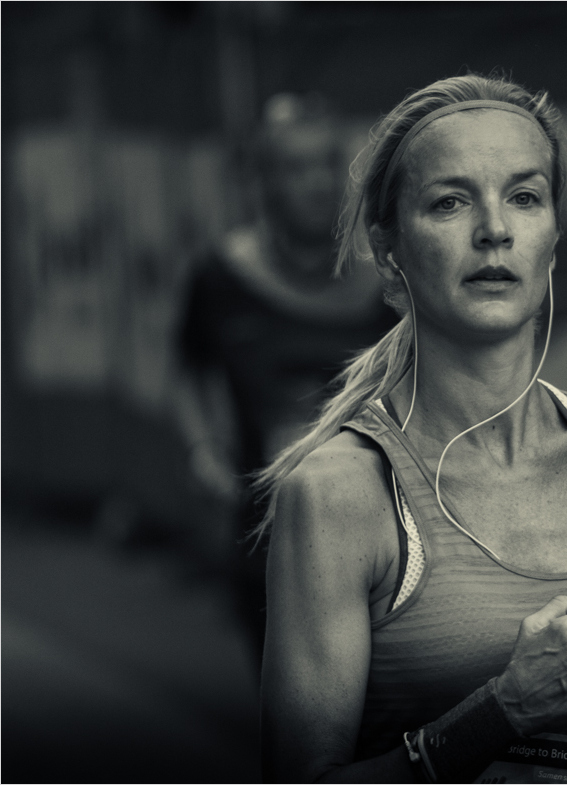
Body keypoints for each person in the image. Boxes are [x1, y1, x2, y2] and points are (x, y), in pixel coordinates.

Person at [254, 74, 567, 783]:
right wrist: (501, 710)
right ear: (390, 251)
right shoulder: (338, 492)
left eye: (524, 197)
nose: (494, 229)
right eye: (450, 201)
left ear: (553, 241)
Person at [178, 94, 397, 666]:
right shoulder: (222, 277)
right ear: (262, 181)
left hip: (380, 541)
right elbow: (189, 364)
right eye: (296, 168)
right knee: (297, 706)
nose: (317, 183)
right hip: (268, 543)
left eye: (327, 163)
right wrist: (203, 447)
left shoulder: (386, 277)